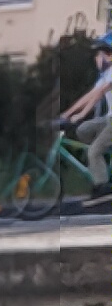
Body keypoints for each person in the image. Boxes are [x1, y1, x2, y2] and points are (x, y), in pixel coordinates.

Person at [65, 28, 112, 194]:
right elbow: (90, 95)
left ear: (110, 55)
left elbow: (99, 94)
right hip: (109, 119)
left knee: (93, 151)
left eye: (100, 55)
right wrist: (67, 114)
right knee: (83, 130)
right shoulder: (106, 75)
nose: (96, 59)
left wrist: (81, 114)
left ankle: (102, 186)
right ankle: (101, 161)